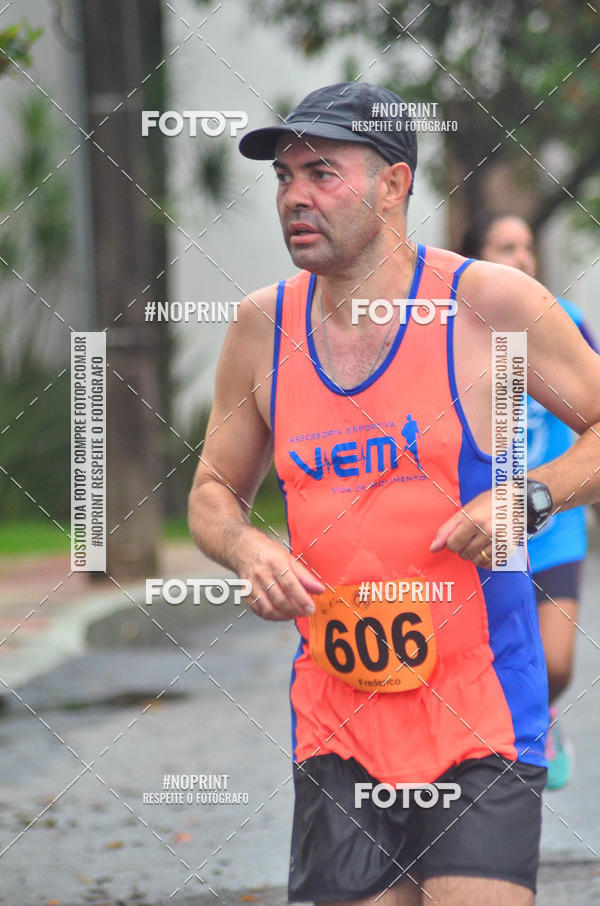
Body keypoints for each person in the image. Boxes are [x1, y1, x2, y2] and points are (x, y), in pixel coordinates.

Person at [188, 82, 600, 906]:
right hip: (340, 723)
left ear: (394, 184)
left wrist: (530, 499)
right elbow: (211, 490)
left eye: (322, 172)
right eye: (284, 176)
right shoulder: (261, 328)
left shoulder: (488, 305)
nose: (295, 195)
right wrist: (244, 546)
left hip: (479, 711)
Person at [460, 213, 599, 790]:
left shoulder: (563, 322)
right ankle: (498, 758)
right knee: (498, 660)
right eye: (505, 245)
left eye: (527, 247)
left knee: (559, 661)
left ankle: (541, 716)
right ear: (478, 256)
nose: (520, 257)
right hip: (486, 525)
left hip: (556, 519)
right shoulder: (456, 327)